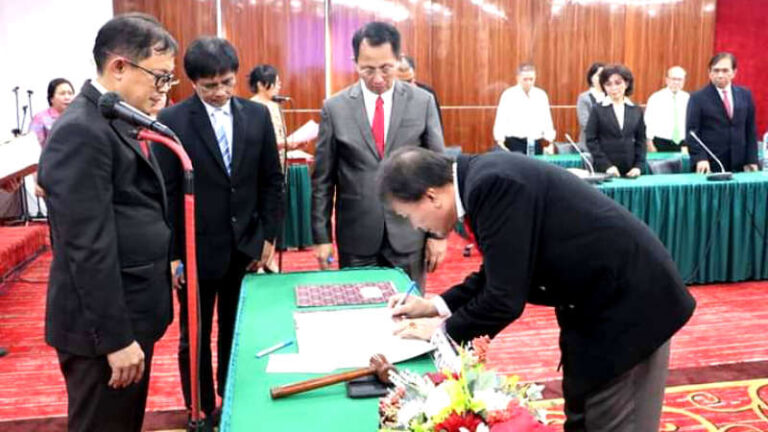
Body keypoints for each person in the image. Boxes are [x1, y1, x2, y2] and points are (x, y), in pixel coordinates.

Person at [379, 147, 696, 431]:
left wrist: (442, 332)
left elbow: (504, 298)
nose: (415, 226)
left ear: (431, 196)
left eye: (409, 216)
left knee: (614, 419)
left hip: (630, 308)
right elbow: (501, 270)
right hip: (592, 306)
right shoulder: (480, 179)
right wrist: (436, 306)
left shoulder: (491, 184)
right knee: (584, 412)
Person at [37, 13, 178, 432]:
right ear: (119, 67)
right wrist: (116, 339)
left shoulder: (114, 118)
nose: (164, 89)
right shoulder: (81, 130)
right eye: (160, 77)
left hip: (132, 312)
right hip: (104, 333)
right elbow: (86, 246)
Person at [154, 37, 284, 427]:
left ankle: (231, 401)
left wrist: (268, 237)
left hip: (244, 245)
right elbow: (166, 193)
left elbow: (271, 181)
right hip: (194, 251)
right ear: (192, 82)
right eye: (210, 86)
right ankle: (200, 408)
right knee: (194, 337)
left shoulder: (256, 116)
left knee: (236, 330)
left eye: (227, 83)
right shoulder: (172, 121)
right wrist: (172, 255)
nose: (220, 92)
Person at [312, 21, 446, 290]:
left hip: (410, 232)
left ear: (398, 59)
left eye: (386, 68)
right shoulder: (335, 108)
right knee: (358, 308)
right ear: (355, 63)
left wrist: (439, 233)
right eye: (368, 69)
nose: (377, 78)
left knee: (409, 309)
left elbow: (439, 172)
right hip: (356, 236)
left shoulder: (422, 102)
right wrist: (321, 237)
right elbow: (322, 180)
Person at [687, 52, 759, 173]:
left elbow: (750, 130)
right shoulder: (697, 98)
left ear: (734, 72)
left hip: (741, 164)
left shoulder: (745, 95)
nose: (720, 75)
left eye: (725, 71)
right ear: (710, 73)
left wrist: (752, 159)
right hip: (710, 164)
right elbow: (692, 133)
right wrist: (700, 158)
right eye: (716, 70)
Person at [585, 64, 646, 178]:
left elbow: (641, 141)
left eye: (618, 83)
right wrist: (606, 166)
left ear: (626, 84)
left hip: (631, 170)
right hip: (604, 171)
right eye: (608, 84)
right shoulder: (597, 109)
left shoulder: (636, 109)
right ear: (603, 87)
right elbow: (591, 140)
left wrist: (638, 166)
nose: (613, 88)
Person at [492, 63, 556, 154]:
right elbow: (501, 120)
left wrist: (550, 143)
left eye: (531, 79)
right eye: (525, 79)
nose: (528, 82)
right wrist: (500, 142)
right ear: (518, 78)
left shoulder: (541, 95)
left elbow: (547, 120)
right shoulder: (508, 95)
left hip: (535, 142)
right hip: (514, 142)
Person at [645, 66, 689, 152]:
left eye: (680, 79)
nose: (676, 82)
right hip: (660, 142)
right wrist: (649, 143)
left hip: (682, 143)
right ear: (667, 80)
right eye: (673, 79)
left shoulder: (688, 98)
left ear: (684, 81)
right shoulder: (656, 98)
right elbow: (648, 122)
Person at [396, 55, 443, 129]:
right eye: (401, 82)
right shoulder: (383, 95)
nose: (405, 87)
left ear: (414, 76)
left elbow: (437, 127)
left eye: (408, 81)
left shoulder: (427, 94)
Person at [29, 78, 75, 147]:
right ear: (51, 98)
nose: (67, 97)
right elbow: (33, 146)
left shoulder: (77, 117)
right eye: (62, 94)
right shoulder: (40, 118)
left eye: (70, 93)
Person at [576, 62, 604, 151]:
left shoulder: (611, 97)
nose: (602, 78)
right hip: (589, 147)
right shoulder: (584, 98)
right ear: (591, 78)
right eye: (599, 75)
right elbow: (585, 124)